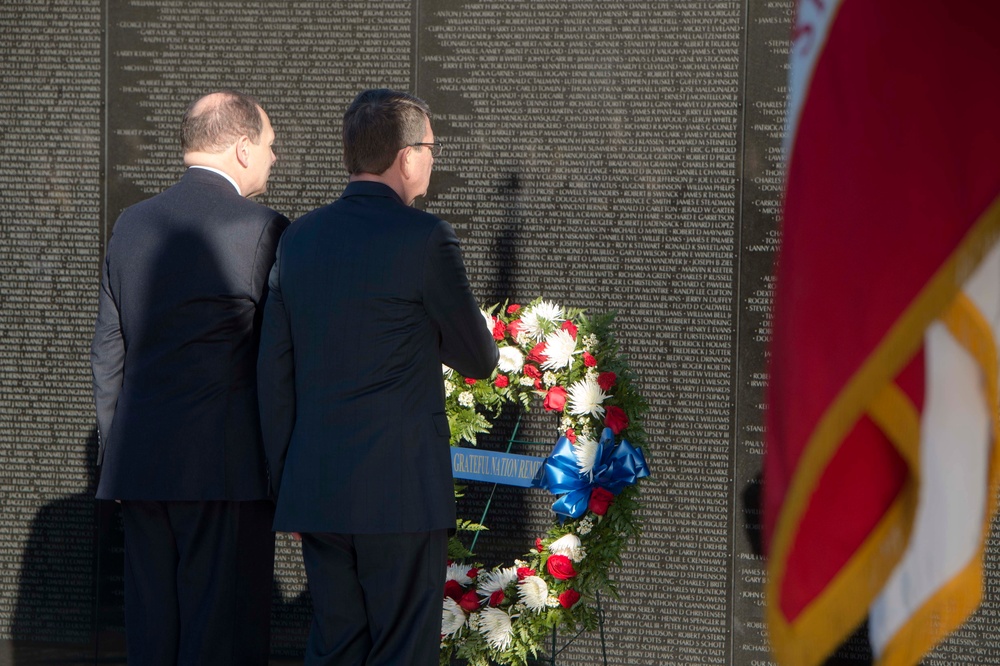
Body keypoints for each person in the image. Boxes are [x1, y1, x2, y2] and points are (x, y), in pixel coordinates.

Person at [257, 88, 499, 665]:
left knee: (336, 645)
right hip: (401, 495)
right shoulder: (425, 238)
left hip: (318, 489)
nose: (433, 161)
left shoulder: (299, 238)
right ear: (406, 156)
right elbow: (480, 359)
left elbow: (275, 373)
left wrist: (286, 485)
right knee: (401, 649)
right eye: (432, 149)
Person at [90, 90, 289, 666]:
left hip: (142, 470)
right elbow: (278, 362)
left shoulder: (130, 223)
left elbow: (108, 354)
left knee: (152, 636)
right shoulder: (265, 229)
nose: (275, 159)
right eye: (271, 147)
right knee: (221, 637)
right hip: (227, 475)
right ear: (243, 149)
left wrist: (120, 450)